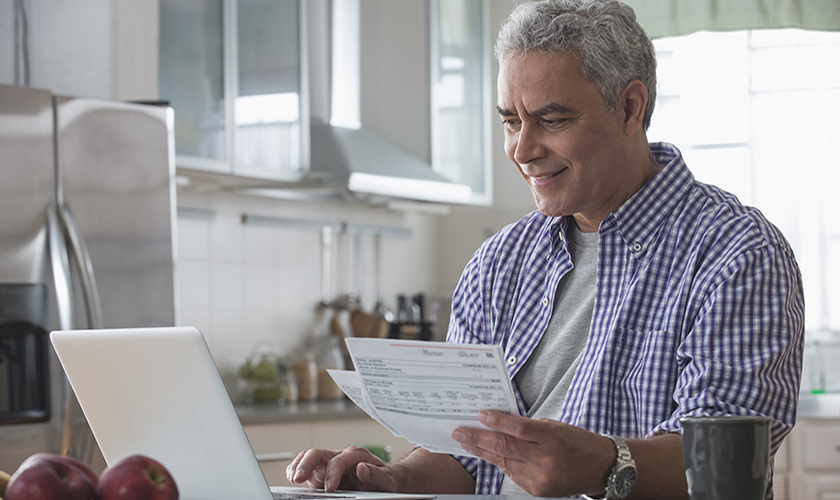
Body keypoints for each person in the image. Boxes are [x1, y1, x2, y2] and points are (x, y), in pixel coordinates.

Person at [287, 0, 805, 498]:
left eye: (551, 120)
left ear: (630, 106)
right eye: (511, 120)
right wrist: (391, 481)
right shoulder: (500, 262)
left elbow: (728, 464)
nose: (521, 148)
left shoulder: (738, 255)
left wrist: (605, 464)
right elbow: (465, 454)